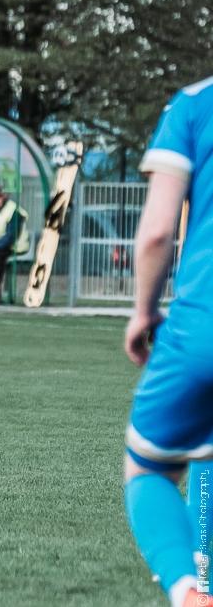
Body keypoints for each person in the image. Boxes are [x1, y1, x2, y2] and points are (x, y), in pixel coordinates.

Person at [123, 75, 213, 607]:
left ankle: (188, 588)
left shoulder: (195, 103)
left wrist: (142, 311)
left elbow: (157, 232)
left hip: (203, 327)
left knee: (150, 467)